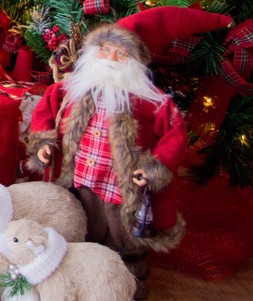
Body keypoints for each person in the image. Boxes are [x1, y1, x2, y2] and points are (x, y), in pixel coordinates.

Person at [27, 22, 187, 299]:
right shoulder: (70, 91)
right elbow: (45, 111)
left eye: (121, 54)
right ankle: (78, 270)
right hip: (79, 180)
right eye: (105, 50)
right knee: (80, 223)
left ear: (134, 61)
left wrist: (153, 167)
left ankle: (126, 279)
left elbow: (175, 135)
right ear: (92, 52)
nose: (111, 59)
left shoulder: (151, 102)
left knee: (121, 234)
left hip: (119, 189)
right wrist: (43, 144)